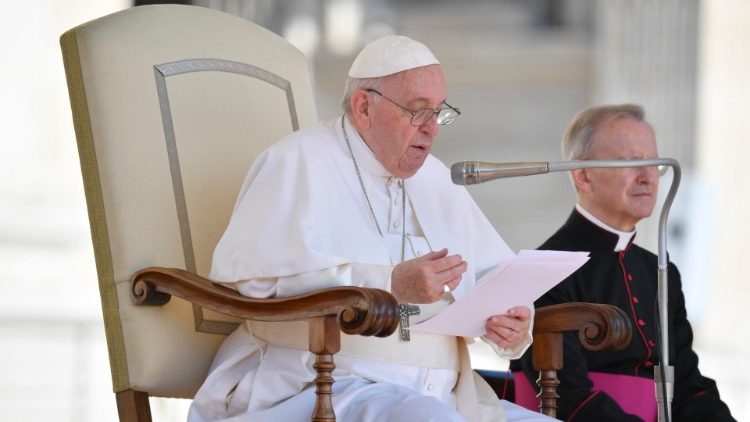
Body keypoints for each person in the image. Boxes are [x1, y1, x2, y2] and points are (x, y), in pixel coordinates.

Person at [188, 35, 556, 422]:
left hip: (444, 396)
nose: (432, 128)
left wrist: (511, 325)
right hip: (320, 385)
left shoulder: (436, 179)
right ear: (364, 106)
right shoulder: (297, 161)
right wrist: (388, 285)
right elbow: (257, 283)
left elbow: (491, 277)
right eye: (417, 111)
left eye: (439, 112)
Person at [510, 104, 735, 421]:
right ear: (584, 176)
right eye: (631, 162)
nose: (648, 177)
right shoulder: (541, 270)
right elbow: (568, 398)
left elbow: (686, 386)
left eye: (654, 163)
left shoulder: (661, 272)